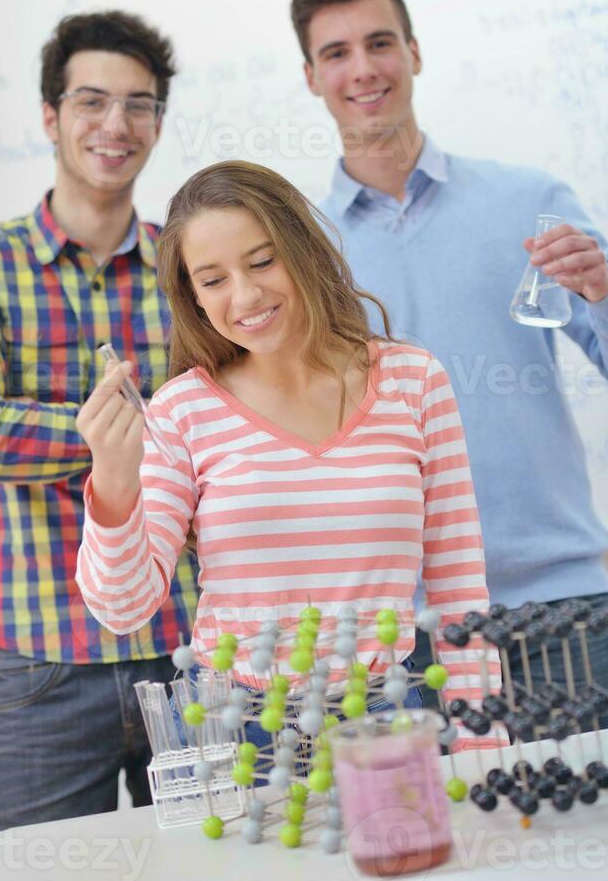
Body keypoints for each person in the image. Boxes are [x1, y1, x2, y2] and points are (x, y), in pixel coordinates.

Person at [290, 0, 608, 723]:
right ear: (311, 76)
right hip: (403, 632)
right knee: (441, 845)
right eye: (336, 53)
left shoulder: (528, 200)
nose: (363, 69)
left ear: (414, 52)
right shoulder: (300, 253)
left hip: (559, 605)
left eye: (380, 43)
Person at [75, 159, 503, 751]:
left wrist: (485, 741)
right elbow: (123, 609)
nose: (246, 295)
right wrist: (115, 481)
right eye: (213, 279)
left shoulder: (414, 379)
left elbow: (458, 586)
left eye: (262, 261)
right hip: (237, 724)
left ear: (303, 250)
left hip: (388, 711)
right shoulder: (181, 411)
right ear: (192, 297)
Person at [0, 11, 197, 831]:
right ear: (50, 115)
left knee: (225, 863)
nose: (116, 125)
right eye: (92, 101)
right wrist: (111, 438)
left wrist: (136, 444)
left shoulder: (188, 267)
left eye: (139, 105)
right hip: (43, 658)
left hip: (186, 647)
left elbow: (226, 427)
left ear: (158, 124)